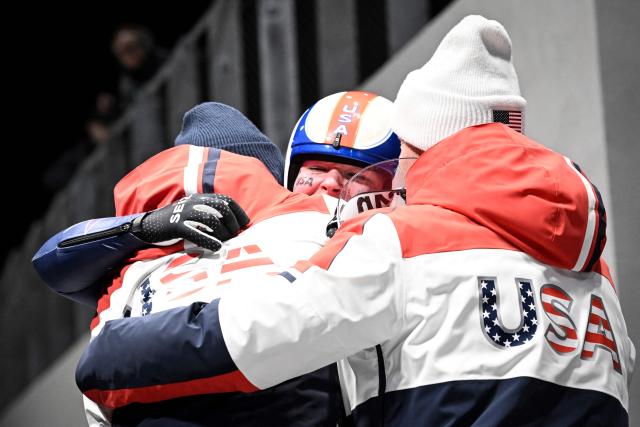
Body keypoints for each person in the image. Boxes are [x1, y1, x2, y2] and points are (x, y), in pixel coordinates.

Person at [75, 15, 634, 425]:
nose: (329, 190)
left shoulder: (400, 243)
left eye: (367, 174)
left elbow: (249, 336)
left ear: (422, 146)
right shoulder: (597, 273)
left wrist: (113, 352)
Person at [34, 92, 400, 426]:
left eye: (356, 176)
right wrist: (144, 227)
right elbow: (53, 267)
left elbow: (98, 354)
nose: (331, 183)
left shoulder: (351, 235)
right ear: (284, 175)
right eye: (316, 170)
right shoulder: (156, 247)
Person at [111, 24, 167, 110]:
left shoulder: (164, 61)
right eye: (122, 52)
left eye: (130, 47)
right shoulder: (127, 84)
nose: (128, 55)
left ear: (143, 44)